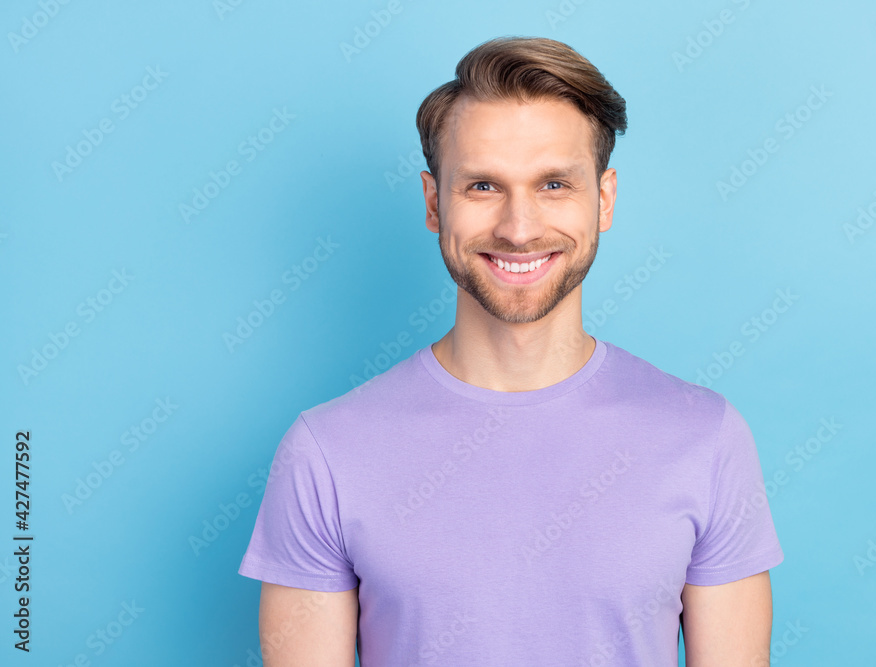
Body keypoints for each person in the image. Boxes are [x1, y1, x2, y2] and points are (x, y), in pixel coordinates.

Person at [238, 35, 783, 666]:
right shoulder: (325, 453)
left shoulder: (705, 437)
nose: (519, 228)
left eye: (553, 183)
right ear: (434, 202)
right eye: (482, 187)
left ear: (602, 200)